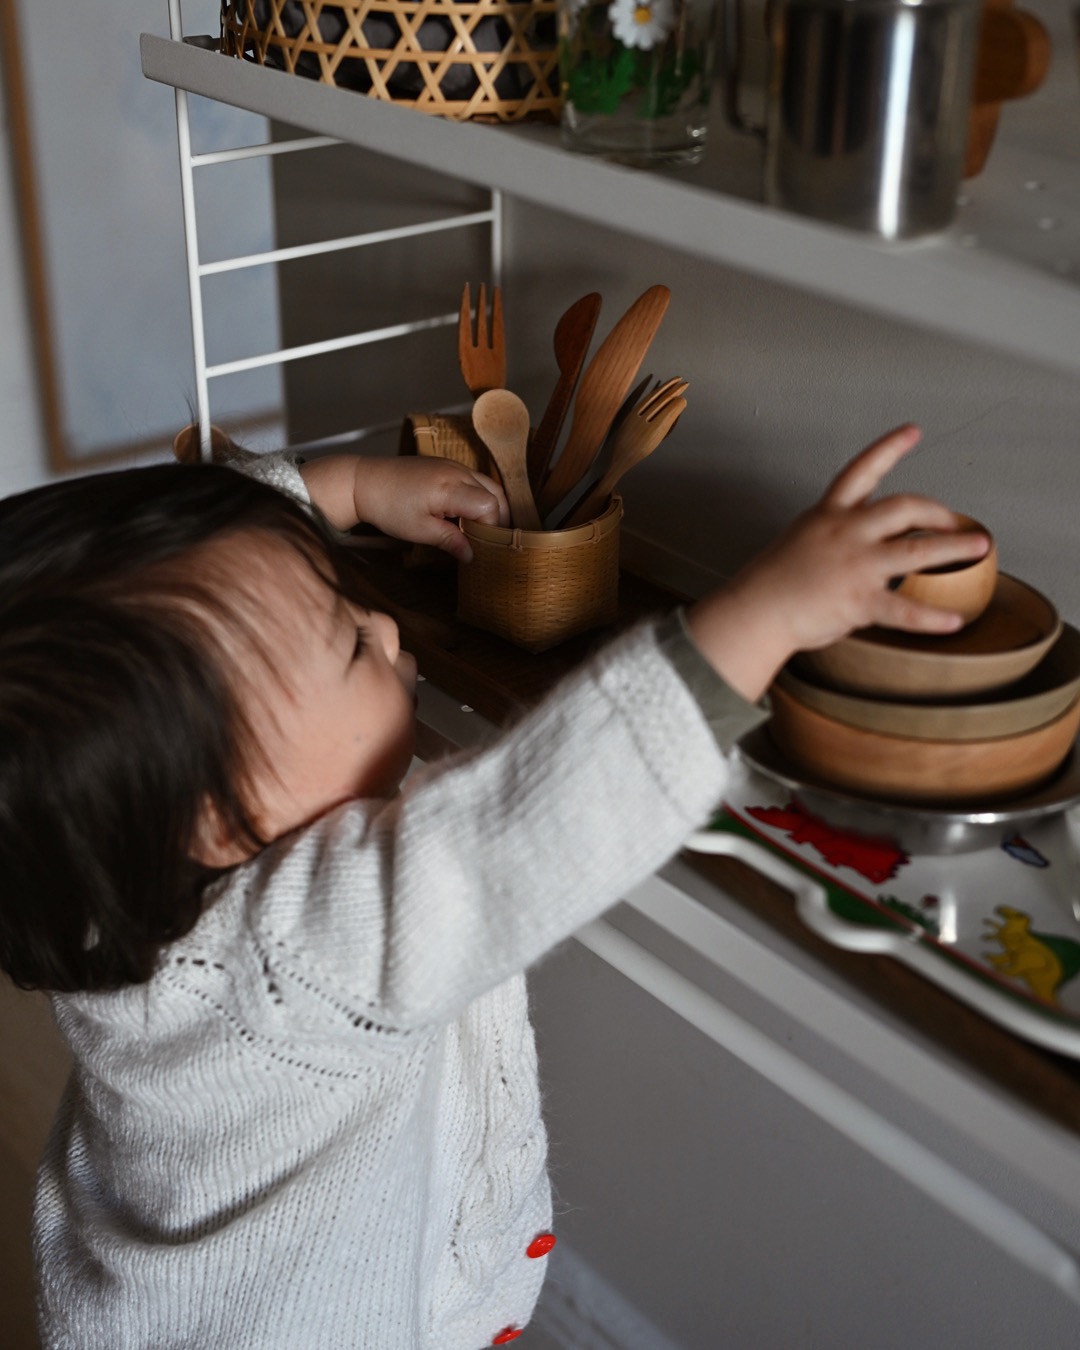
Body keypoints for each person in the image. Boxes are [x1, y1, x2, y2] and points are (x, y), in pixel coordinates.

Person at [0, 423, 988, 1349]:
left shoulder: (95, 861)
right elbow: (526, 830)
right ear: (222, 819)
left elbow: (196, 579)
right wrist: (764, 617)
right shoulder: (296, 954)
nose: (385, 627)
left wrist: (341, 489)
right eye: (350, 644)